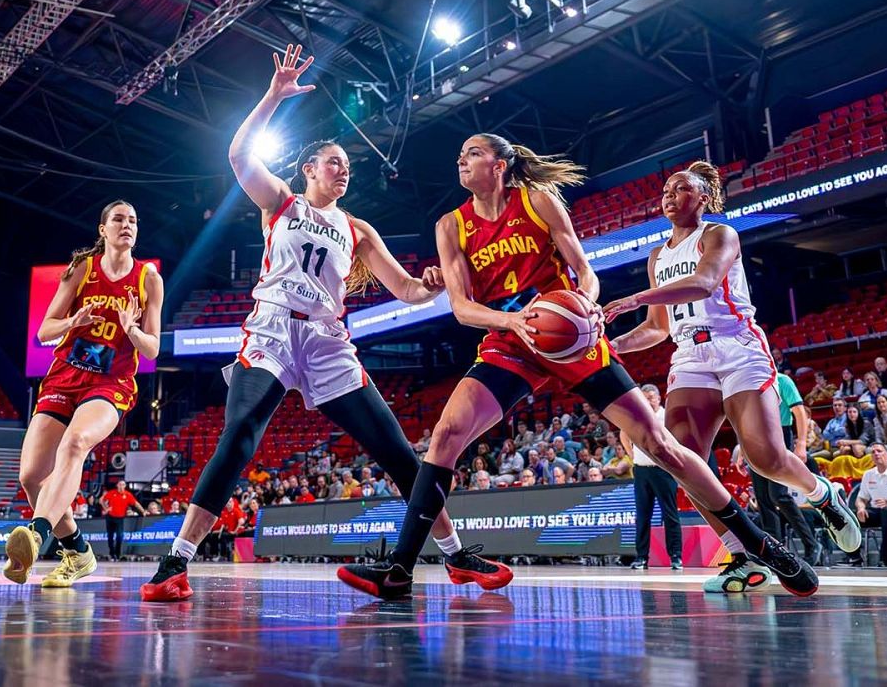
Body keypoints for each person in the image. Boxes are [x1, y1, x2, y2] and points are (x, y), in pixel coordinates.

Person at [338, 148, 815, 600]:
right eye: (460, 156)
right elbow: (462, 308)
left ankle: (759, 545)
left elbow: (585, 273)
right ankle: (401, 569)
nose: (461, 160)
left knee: (661, 446)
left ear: (500, 165)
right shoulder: (451, 225)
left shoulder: (538, 201)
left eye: (472, 153)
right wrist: (511, 322)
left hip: (571, 336)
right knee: (445, 435)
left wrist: (584, 302)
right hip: (512, 339)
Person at [144, 46, 493, 602]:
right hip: (276, 329)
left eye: (347, 167)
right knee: (239, 435)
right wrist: (275, 96)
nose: (343, 169)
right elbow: (237, 156)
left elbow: (404, 289)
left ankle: (456, 557)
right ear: (308, 168)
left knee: (399, 452)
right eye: (333, 162)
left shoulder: (357, 229)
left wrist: (428, 284)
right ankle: (174, 562)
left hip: (329, 341)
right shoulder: (281, 203)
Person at [601, 161, 855, 593]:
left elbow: (703, 283)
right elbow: (657, 328)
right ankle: (741, 555)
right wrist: (611, 347)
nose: (669, 195)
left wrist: (633, 298)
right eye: (666, 189)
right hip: (690, 355)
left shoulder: (719, 235)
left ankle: (821, 494)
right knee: (683, 461)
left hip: (738, 347)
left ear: (703, 199)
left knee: (765, 459)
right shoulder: (657, 256)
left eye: (682, 189)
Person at [6, 199, 164, 588]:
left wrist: (131, 328)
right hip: (65, 376)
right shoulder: (82, 269)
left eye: (133, 220)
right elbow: (45, 331)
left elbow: (153, 348)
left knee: (75, 443)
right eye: (118, 219)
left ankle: (37, 534)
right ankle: (77, 551)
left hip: (111, 382)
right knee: (30, 476)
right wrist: (72, 321)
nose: (127, 225)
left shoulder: (149, 279)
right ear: (103, 229)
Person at [747, 371, 822, 564]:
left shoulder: (782, 380)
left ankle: (811, 543)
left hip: (779, 433)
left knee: (778, 494)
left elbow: (799, 412)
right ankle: (775, 549)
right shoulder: (748, 382)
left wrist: (801, 443)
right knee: (763, 497)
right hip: (755, 437)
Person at [623, 384, 682, 570]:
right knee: (642, 515)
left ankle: (675, 556)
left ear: (658, 398)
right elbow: (623, 434)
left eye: (650, 397)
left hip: (663, 470)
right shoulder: (637, 415)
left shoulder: (667, 416)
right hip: (641, 470)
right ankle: (641, 557)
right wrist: (632, 456)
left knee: (670, 514)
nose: (648, 401)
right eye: (644, 397)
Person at [101, 480, 142, 561]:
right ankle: (112, 554)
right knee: (110, 536)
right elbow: (102, 500)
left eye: (123, 484)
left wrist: (143, 511)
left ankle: (117, 554)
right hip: (110, 517)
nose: (121, 486)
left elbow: (135, 503)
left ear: (125, 486)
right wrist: (106, 508)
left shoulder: (127, 495)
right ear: (117, 485)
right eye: (120, 484)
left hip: (120, 518)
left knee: (119, 536)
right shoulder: (112, 493)